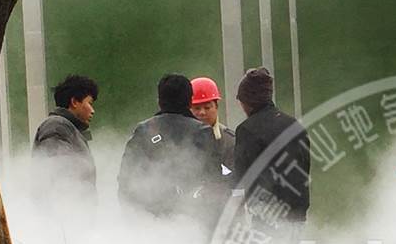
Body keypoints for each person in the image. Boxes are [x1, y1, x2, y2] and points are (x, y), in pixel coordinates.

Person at [117, 72, 221, 219]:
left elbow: (126, 178)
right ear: (190, 101)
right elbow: (214, 181)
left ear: (159, 100)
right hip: (192, 220)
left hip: (149, 221)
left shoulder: (144, 130)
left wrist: (134, 217)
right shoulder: (202, 132)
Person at [231, 66, 310, 222]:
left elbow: (241, 177)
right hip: (297, 216)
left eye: (241, 101)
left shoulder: (247, 130)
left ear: (248, 101)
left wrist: (214, 183)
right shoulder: (295, 126)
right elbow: (305, 168)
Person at [32, 74, 97, 206]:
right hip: (64, 221)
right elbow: (58, 175)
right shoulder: (56, 127)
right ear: (74, 102)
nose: (93, 110)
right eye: (89, 103)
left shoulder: (66, 128)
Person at [190, 75, 235, 175]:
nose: (202, 113)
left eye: (207, 108)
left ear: (216, 107)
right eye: (197, 108)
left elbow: (241, 173)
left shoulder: (228, 140)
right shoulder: (183, 138)